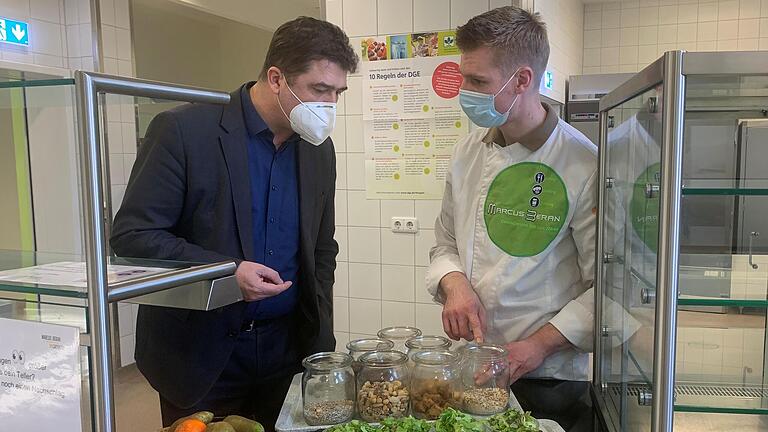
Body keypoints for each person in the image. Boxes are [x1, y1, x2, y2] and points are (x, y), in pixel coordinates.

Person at [110, 17, 358, 429]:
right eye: (320, 89)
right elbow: (133, 236)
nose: (330, 105)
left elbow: (321, 250)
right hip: (201, 353)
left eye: (338, 92)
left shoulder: (318, 150)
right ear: (276, 78)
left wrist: (321, 342)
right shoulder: (185, 132)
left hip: (288, 351)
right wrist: (227, 273)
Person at [426, 6, 597, 383]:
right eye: (463, 79)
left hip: (549, 375)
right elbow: (445, 244)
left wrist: (537, 346)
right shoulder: (466, 152)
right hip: (471, 361)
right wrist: (454, 285)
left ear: (522, 79)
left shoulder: (584, 164)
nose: (464, 93)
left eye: (478, 81)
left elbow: (608, 287)